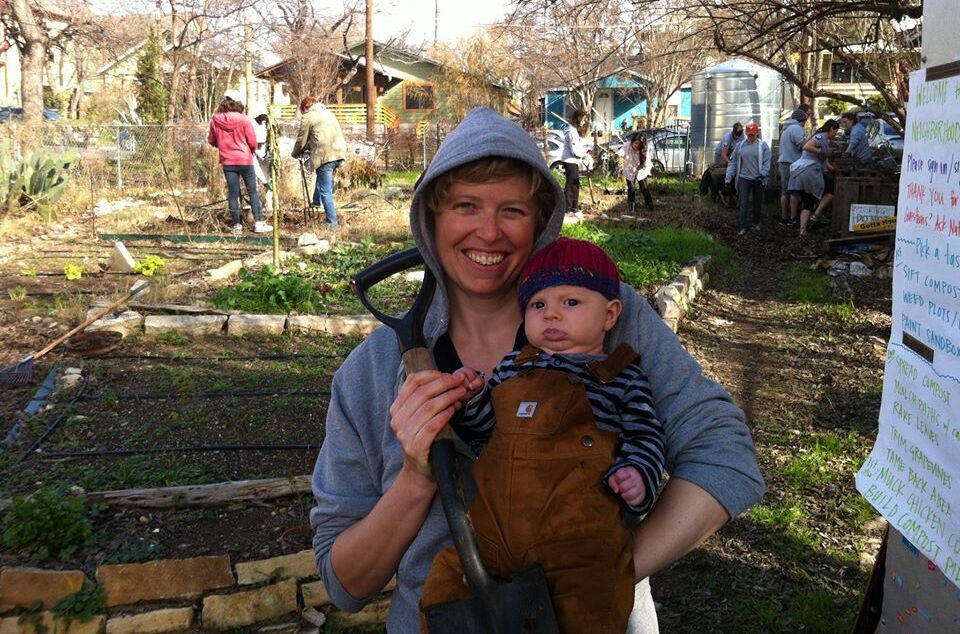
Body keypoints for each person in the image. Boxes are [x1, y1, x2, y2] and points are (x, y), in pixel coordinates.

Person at [309, 106, 764, 633]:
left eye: (513, 211)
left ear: (542, 221)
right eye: (465, 205)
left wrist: (594, 577)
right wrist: (414, 480)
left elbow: (726, 455)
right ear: (431, 219)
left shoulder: (608, 321)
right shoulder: (371, 373)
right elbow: (346, 584)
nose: (488, 232)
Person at [420, 237, 665, 632]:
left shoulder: (620, 376)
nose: (551, 315)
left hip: (576, 538)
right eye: (538, 305)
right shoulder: (511, 368)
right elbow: (486, 431)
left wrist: (638, 473)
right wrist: (472, 396)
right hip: (491, 533)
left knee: (593, 604)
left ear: (610, 314)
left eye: (570, 303)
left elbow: (646, 433)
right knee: (444, 580)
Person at [207, 90, 272, 236]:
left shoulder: (216, 119)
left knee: (233, 193)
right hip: (245, 159)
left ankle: (237, 225)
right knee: (252, 191)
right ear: (239, 103)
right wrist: (250, 150)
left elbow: (211, 140)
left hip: (228, 161)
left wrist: (223, 146)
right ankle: (259, 223)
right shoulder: (244, 120)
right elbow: (252, 141)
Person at [291, 96, 347, 230]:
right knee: (322, 179)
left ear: (305, 108)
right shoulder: (328, 113)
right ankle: (315, 202)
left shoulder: (308, 117)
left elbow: (301, 139)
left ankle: (332, 224)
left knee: (325, 191)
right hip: (339, 153)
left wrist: (295, 153)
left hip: (325, 155)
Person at [788, 119, 839, 236]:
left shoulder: (825, 141)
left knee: (808, 202)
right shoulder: (820, 137)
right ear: (831, 129)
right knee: (830, 189)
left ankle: (802, 231)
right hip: (809, 171)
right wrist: (820, 151)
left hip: (801, 172)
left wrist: (833, 169)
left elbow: (824, 162)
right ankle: (816, 215)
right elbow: (806, 146)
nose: (835, 135)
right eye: (835, 132)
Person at [725, 121, 771, 236]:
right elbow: (733, 163)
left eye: (753, 134)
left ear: (757, 134)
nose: (751, 136)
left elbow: (767, 162)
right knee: (743, 203)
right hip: (743, 178)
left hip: (758, 178)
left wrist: (763, 174)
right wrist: (728, 178)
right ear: (746, 133)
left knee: (757, 203)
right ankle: (743, 227)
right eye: (749, 134)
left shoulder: (763, 146)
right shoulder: (740, 146)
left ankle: (756, 223)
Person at [778, 107, 809, 226]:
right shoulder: (796, 128)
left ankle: (784, 218)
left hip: (783, 162)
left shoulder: (786, 128)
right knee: (794, 191)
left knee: (785, 191)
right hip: (792, 163)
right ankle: (793, 218)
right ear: (802, 120)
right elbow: (803, 145)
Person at [560, 110, 590, 214]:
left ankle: (574, 206)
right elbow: (574, 150)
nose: (584, 121)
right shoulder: (571, 132)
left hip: (574, 161)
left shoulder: (575, 131)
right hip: (569, 160)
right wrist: (584, 154)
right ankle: (567, 208)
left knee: (575, 183)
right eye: (583, 119)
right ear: (578, 118)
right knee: (571, 184)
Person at [623, 134, 654, 214]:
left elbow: (644, 163)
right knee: (631, 188)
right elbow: (621, 152)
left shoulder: (644, 150)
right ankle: (631, 206)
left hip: (641, 169)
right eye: (635, 143)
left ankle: (649, 204)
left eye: (639, 144)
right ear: (632, 142)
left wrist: (637, 168)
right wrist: (618, 156)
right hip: (629, 168)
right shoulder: (627, 146)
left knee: (643, 187)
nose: (636, 146)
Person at [252, 113, 275, 217]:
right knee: (254, 186)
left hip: (266, 157)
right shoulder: (251, 124)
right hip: (254, 157)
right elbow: (258, 143)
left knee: (270, 183)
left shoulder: (270, 124)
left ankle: (269, 206)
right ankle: (255, 212)